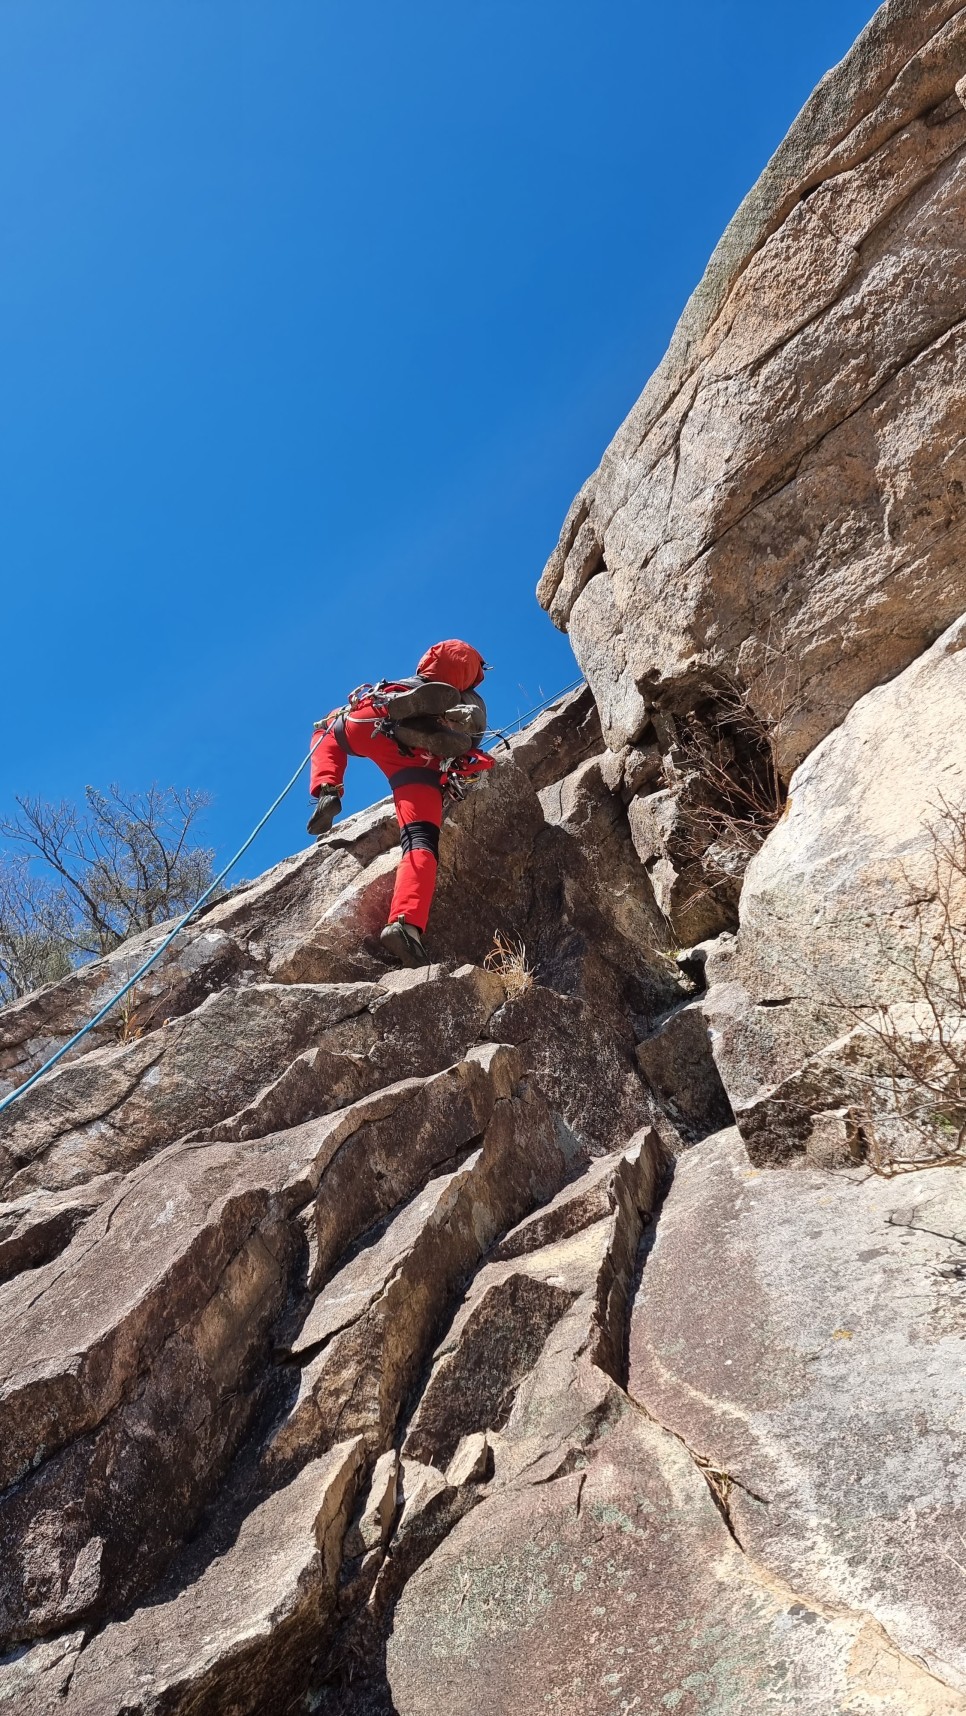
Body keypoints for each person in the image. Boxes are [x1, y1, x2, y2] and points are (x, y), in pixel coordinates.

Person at [307, 639, 493, 966]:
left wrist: (330, 736)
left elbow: (330, 725)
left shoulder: (404, 683)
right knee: (420, 842)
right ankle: (406, 924)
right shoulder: (472, 703)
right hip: (422, 767)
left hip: (374, 719)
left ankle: (328, 789)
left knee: (327, 729)